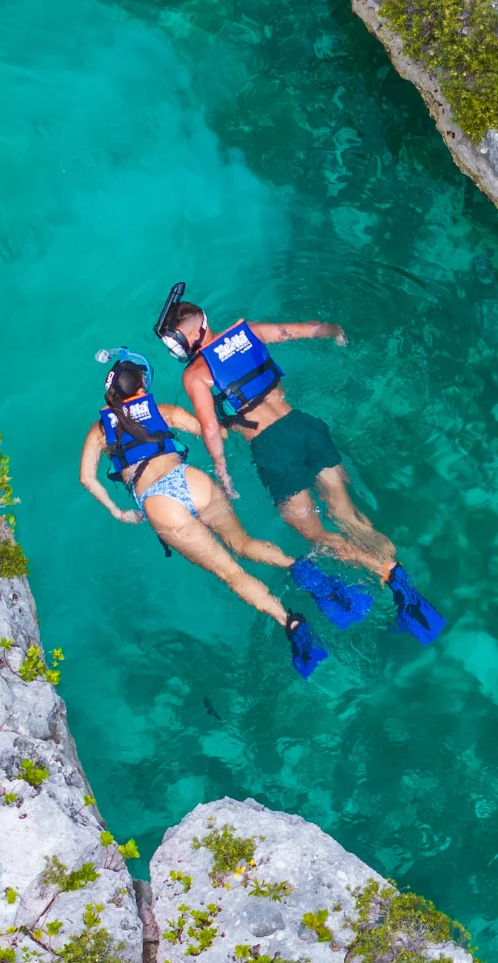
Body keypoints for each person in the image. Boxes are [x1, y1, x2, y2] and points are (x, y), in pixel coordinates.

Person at [152, 284, 445, 644]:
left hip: (272, 447)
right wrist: (336, 332)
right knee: (347, 514)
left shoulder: (195, 374)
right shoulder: (248, 331)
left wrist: (222, 471)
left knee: (315, 533)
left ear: (191, 336)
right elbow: (308, 328)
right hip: (305, 427)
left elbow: (211, 429)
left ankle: (384, 572)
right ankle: (398, 571)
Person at [78, 349, 371, 678]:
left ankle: (290, 622)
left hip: (160, 505)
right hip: (192, 481)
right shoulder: (163, 411)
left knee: (231, 573)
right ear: (142, 388)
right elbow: (213, 431)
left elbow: (87, 479)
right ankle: (299, 567)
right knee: (243, 543)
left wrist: (119, 512)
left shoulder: (98, 432)